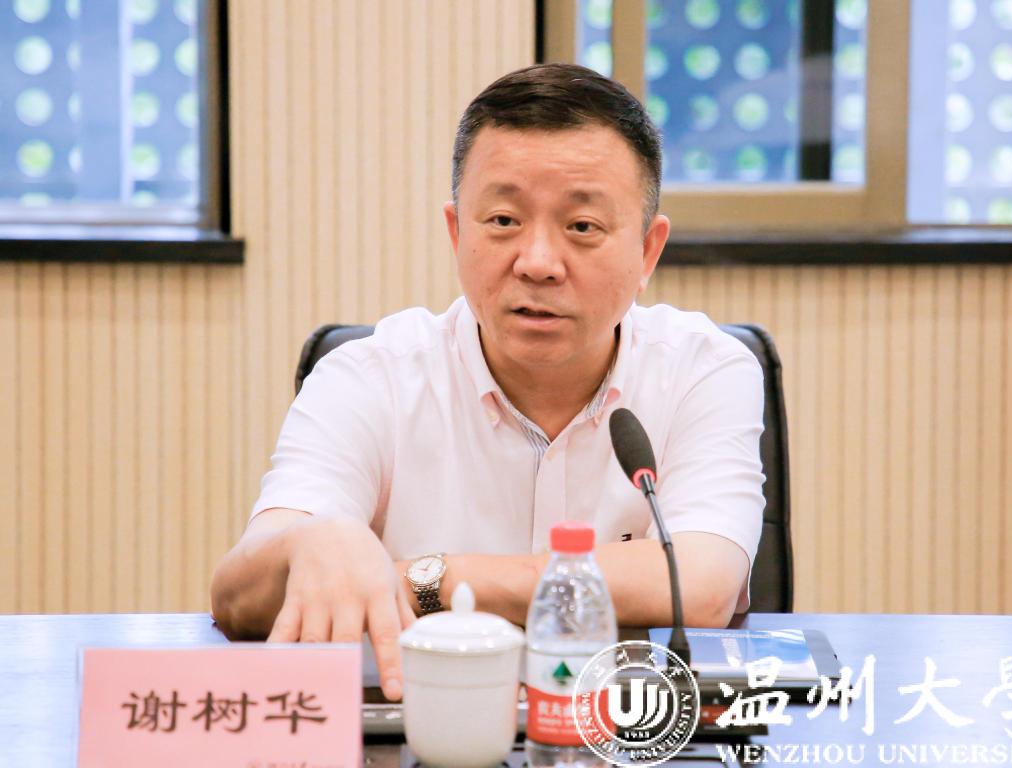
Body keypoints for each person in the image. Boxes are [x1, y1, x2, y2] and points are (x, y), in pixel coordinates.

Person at [210, 63, 765, 703]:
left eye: (582, 227)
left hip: (628, 729)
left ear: (647, 251)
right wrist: (311, 542)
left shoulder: (704, 370)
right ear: (456, 233)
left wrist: (424, 579)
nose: (538, 262)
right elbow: (237, 594)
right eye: (502, 220)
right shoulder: (367, 377)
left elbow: (700, 584)